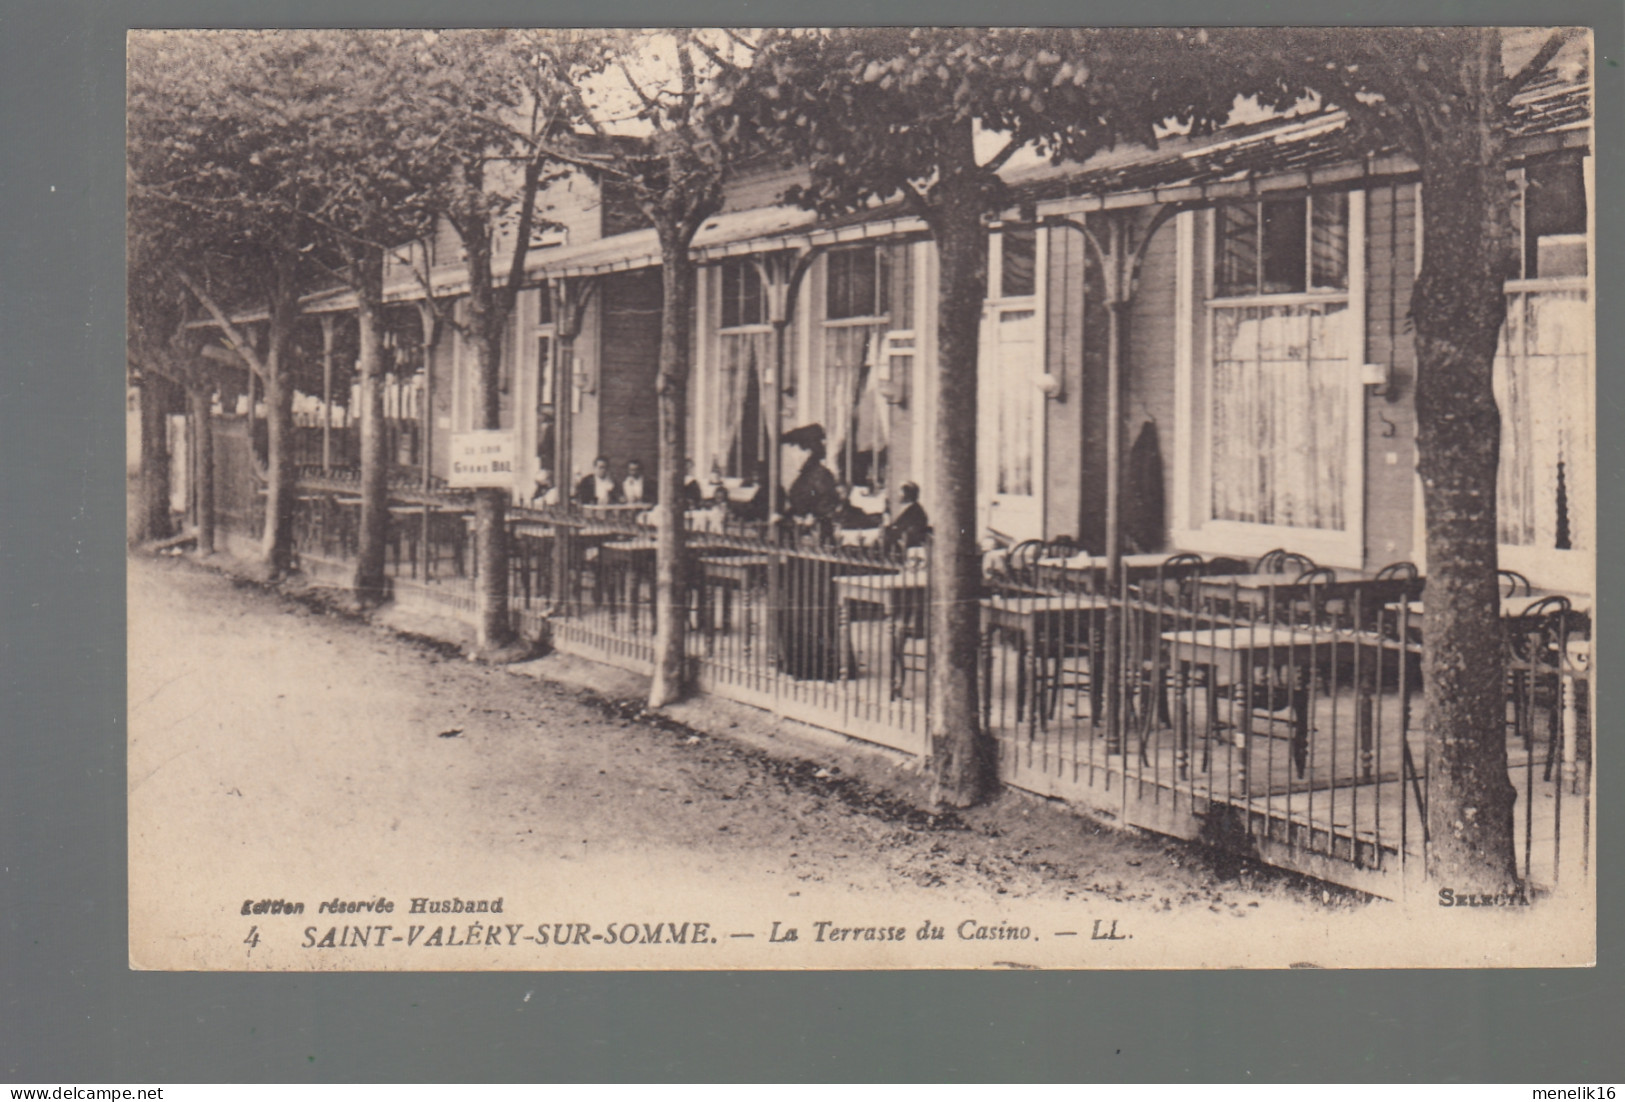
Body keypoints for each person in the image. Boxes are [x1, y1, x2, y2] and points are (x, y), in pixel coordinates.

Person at [775, 424, 844, 681]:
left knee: (812, 604)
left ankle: (817, 666)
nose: (791, 455)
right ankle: (799, 662)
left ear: (805, 450)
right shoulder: (807, 475)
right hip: (802, 548)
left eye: (793, 449)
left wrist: (804, 521)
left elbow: (827, 510)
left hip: (814, 548)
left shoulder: (819, 476)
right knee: (800, 604)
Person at [882, 481, 929, 556]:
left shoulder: (916, 512)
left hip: (905, 553)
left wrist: (887, 526)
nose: (898, 495)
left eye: (901, 492)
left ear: (908, 494)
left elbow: (902, 533)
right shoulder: (912, 509)